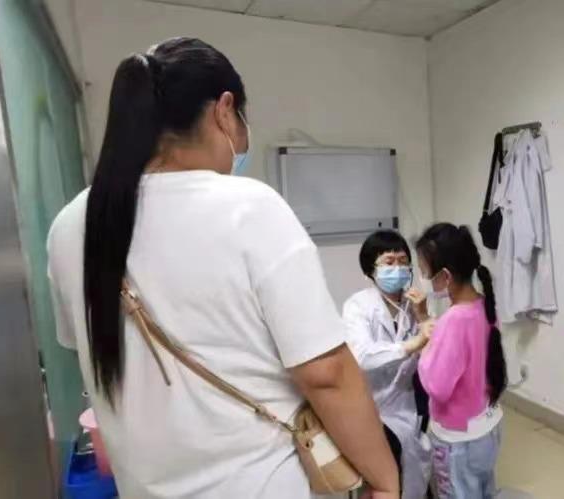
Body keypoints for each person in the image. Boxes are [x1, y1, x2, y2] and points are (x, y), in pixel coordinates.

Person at [47, 37, 399, 499]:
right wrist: (385, 480)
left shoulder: (70, 226)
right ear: (225, 110)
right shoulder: (249, 208)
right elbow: (326, 373)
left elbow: (83, 348)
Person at [416, 224, 508, 499]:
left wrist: (424, 348)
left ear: (445, 276)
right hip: (488, 426)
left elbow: (438, 387)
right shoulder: (484, 305)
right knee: (483, 491)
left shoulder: (453, 321)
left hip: (458, 439)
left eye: (424, 271)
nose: (423, 278)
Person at [342, 230, 433, 499]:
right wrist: (411, 344)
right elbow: (363, 356)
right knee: (384, 466)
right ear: (370, 270)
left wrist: (423, 316)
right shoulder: (358, 306)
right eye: (389, 262)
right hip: (371, 402)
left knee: (411, 456)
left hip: (406, 400)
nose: (398, 268)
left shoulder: (414, 303)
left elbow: (433, 351)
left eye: (403, 261)